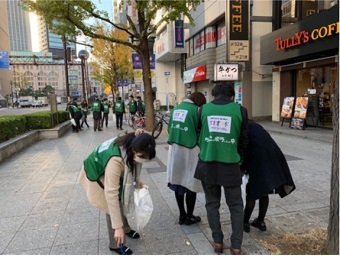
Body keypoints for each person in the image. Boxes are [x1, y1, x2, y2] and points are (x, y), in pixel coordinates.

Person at [78, 130, 156, 255]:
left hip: (108, 168)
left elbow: (133, 163)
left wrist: (137, 180)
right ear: (132, 150)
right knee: (112, 205)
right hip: (96, 173)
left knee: (122, 199)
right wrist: (117, 227)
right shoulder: (115, 160)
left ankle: (125, 228)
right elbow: (111, 194)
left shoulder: (134, 140)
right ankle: (115, 243)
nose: (143, 160)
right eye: (141, 156)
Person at [194, 82, 249, 255]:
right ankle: (236, 245)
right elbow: (244, 139)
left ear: (213, 95)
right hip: (231, 165)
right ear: (231, 95)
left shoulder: (203, 109)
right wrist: (238, 156)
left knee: (212, 204)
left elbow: (197, 134)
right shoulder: (240, 110)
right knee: (236, 205)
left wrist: (207, 147)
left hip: (207, 164)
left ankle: (217, 242)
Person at [241, 120, 296, 233]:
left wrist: (243, 167)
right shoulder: (254, 124)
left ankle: (245, 222)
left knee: (252, 192)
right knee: (264, 190)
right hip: (272, 155)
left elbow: (244, 147)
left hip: (258, 158)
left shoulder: (243, 127)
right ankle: (260, 221)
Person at [167, 92, 206, 226]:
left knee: (178, 183)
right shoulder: (197, 110)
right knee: (190, 183)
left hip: (175, 149)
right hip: (191, 150)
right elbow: (201, 131)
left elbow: (169, 128)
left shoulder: (176, 109)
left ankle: (181, 215)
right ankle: (190, 216)